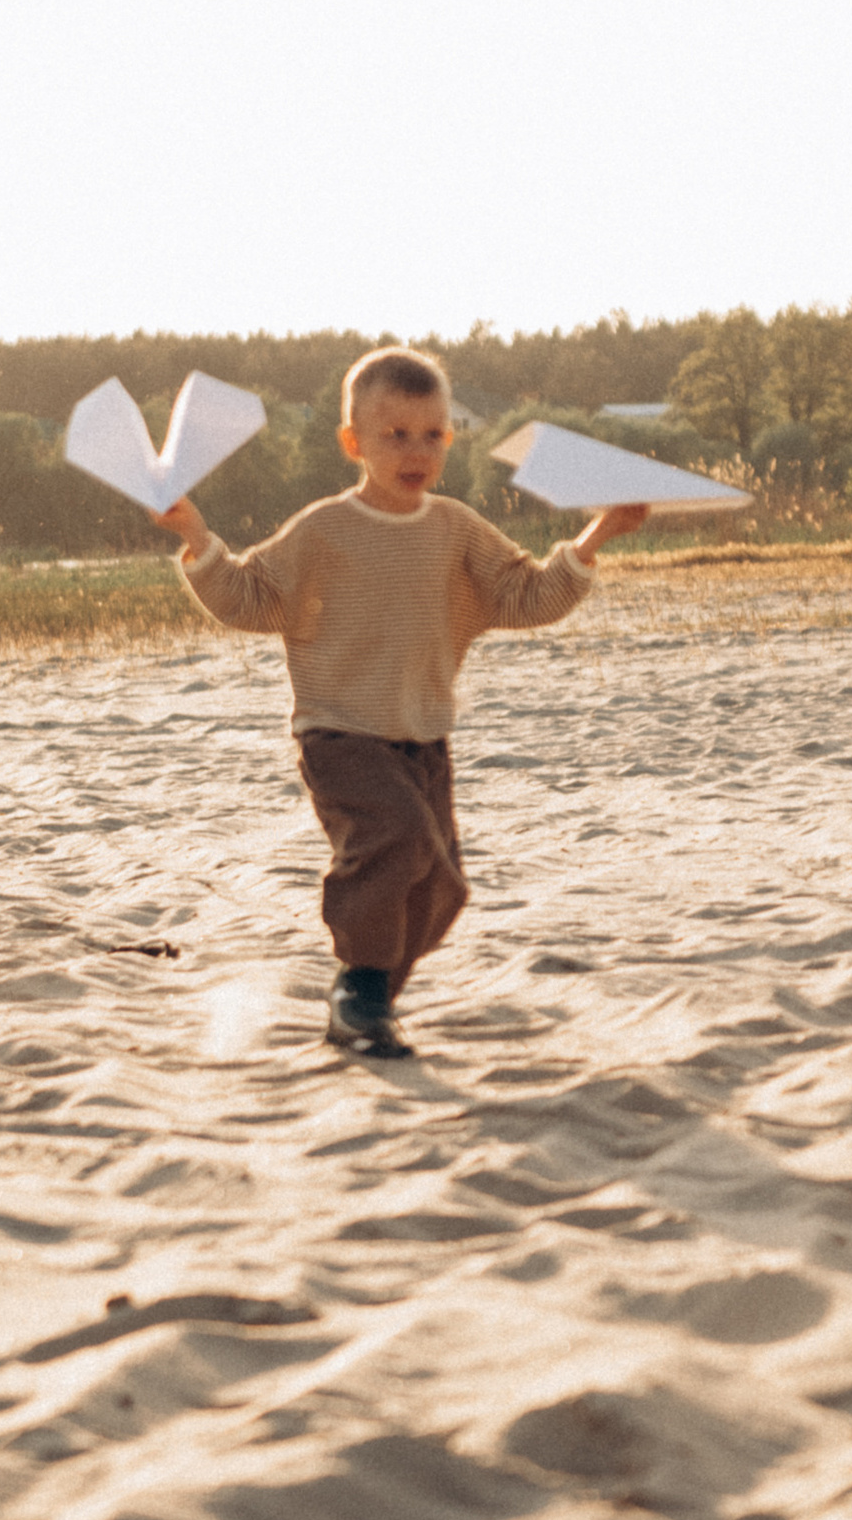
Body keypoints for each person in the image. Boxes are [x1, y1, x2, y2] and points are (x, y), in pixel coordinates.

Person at [157, 346, 645, 1057]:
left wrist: (599, 532)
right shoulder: (324, 528)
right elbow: (248, 596)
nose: (417, 451)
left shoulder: (456, 529)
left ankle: (367, 1002)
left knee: (442, 887)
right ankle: (359, 990)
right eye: (395, 434)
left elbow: (527, 595)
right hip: (339, 734)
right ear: (353, 442)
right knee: (398, 840)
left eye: (433, 434)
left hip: (423, 739)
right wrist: (195, 535)